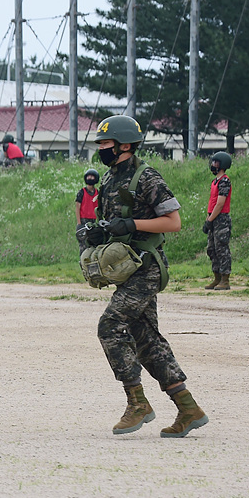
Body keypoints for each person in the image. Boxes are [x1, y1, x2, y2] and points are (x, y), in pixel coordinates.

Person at [84, 115, 207, 438]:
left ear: (125, 145)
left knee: (110, 325)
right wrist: (99, 234)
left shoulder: (147, 176)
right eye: (99, 144)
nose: (101, 149)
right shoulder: (110, 180)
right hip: (126, 266)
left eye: (105, 144)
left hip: (147, 267)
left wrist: (134, 225)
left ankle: (137, 402)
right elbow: (114, 222)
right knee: (146, 339)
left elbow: (173, 221)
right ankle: (188, 407)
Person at [203, 151, 233, 291]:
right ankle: (217, 277)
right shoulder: (214, 181)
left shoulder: (225, 181)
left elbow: (220, 203)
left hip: (221, 219)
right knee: (212, 248)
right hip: (213, 217)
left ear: (222, 165)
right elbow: (212, 202)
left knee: (222, 248)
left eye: (216, 163)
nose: (213, 165)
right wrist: (207, 219)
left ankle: (225, 279)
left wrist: (210, 219)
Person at [74, 168, 100, 254]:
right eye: (88, 176)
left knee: (93, 245)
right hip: (83, 221)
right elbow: (77, 207)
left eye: (92, 177)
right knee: (83, 246)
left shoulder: (97, 193)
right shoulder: (82, 192)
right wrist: (79, 223)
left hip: (93, 221)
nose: (90, 178)